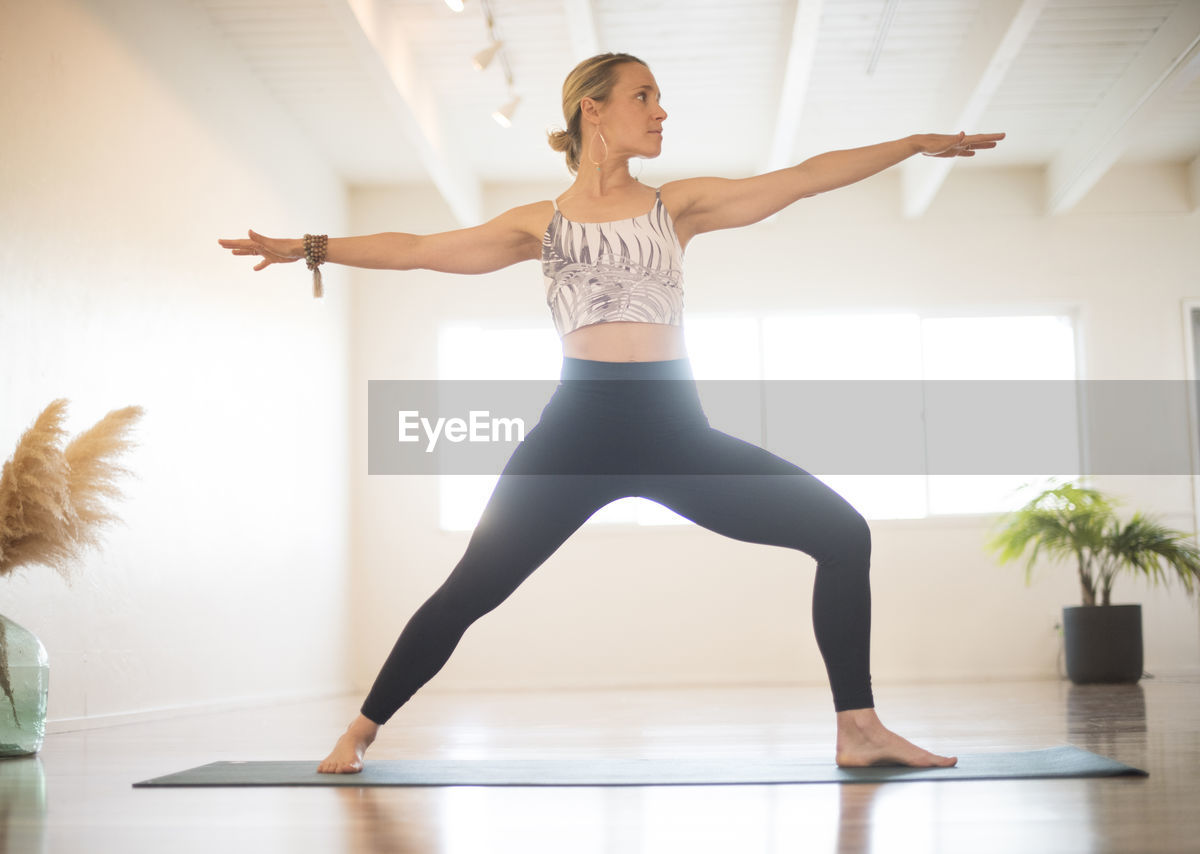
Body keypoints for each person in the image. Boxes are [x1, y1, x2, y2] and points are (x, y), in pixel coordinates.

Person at [221, 53, 1003, 774]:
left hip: (676, 435)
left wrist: (908, 144)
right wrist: (313, 247)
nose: (660, 112)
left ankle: (858, 728)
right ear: (593, 111)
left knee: (842, 532)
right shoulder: (541, 223)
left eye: (659, 99)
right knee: (471, 590)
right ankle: (358, 730)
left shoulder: (678, 206)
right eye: (644, 97)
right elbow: (421, 246)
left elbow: (802, 176)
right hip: (575, 437)